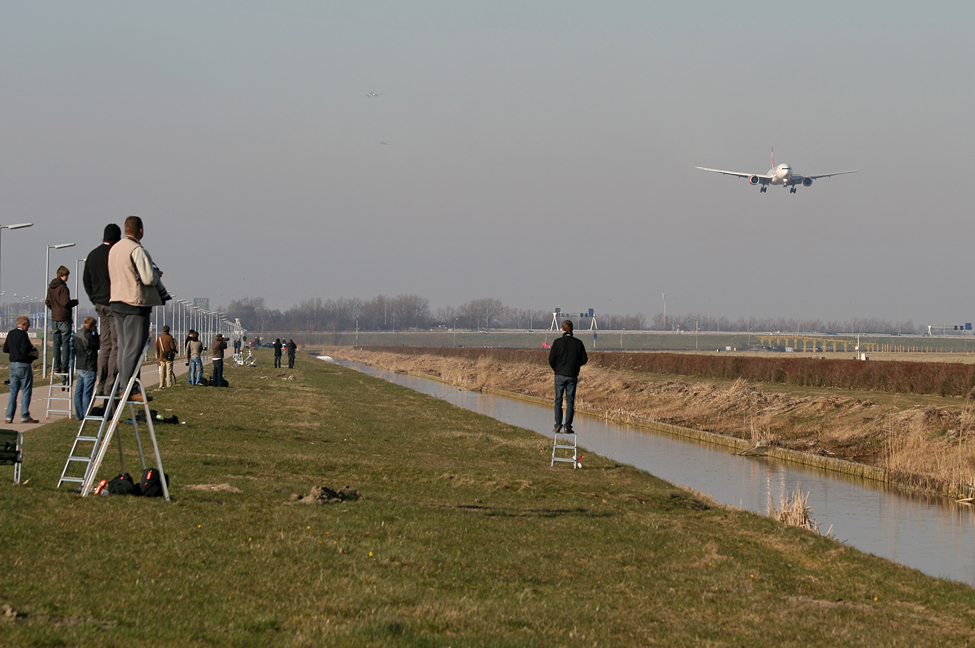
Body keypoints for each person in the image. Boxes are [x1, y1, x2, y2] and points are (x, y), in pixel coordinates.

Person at [108, 216, 169, 402]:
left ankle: (122, 385)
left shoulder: (114, 249)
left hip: (116, 301)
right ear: (140, 231)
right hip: (135, 303)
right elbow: (148, 278)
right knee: (134, 349)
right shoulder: (137, 250)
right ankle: (129, 388)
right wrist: (156, 275)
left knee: (123, 347)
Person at [84, 224, 122, 396]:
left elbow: (87, 281)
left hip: (99, 305)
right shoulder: (115, 255)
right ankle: (110, 384)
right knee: (116, 345)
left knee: (104, 344)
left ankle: (100, 384)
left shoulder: (92, 255)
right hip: (114, 303)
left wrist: (94, 298)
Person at [548, 319, 588, 434]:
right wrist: (575, 366)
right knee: (570, 401)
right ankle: (568, 426)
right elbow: (584, 359)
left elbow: (551, 359)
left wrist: (557, 368)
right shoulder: (578, 343)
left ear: (563, 329)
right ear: (572, 330)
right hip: (572, 375)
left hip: (559, 375)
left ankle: (557, 425)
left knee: (558, 400)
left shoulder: (557, 342)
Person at [3, 315, 39, 424]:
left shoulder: (11, 333)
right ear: (23, 324)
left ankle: (9, 416)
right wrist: (33, 353)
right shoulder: (23, 335)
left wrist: (14, 352)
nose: (28, 327)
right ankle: (24, 416)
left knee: (13, 391)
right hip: (23, 365)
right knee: (26, 390)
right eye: (28, 325)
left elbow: (5, 349)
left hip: (12, 365)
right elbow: (25, 350)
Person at [45, 265, 79, 376]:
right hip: (64, 317)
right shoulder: (63, 288)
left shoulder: (51, 288)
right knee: (65, 343)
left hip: (54, 318)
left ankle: (56, 367)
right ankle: (64, 366)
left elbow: (47, 302)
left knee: (56, 343)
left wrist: (54, 309)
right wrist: (74, 302)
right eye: (66, 275)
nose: (67, 278)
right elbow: (65, 303)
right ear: (62, 276)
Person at [74, 316, 99, 419]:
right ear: (92, 326)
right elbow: (97, 345)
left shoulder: (77, 334)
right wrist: (96, 334)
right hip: (89, 365)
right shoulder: (89, 336)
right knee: (87, 393)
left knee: (78, 391)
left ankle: (79, 414)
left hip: (79, 365)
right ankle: (86, 414)